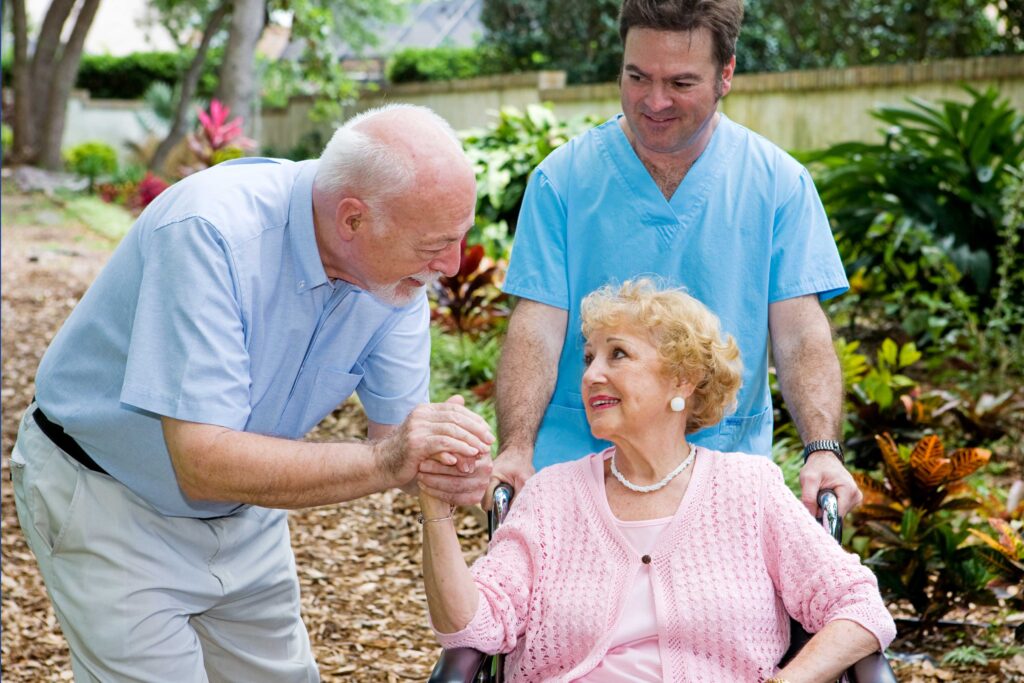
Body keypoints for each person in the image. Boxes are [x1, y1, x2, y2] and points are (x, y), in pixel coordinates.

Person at [10, 104, 495, 682]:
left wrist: (453, 467)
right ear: (353, 220)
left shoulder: (396, 279)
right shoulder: (210, 230)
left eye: (460, 238)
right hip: (107, 496)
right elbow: (203, 462)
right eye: (433, 244)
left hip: (245, 508)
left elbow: (400, 441)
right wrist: (393, 460)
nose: (450, 264)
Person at [490, 0, 862, 516]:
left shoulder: (779, 185)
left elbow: (800, 332)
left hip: (722, 480)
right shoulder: (562, 181)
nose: (654, 101)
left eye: (681, 84)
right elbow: (536, 325)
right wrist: (515, 449)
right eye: (637, 77)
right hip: (576, 478)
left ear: (725, 74)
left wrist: (823, 450)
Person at [421, 279, 895, 681]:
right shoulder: (551, 497)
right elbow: (472, 628)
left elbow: (859, 607)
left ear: (683, 381)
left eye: (617, 355)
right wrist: (435, 509)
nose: (591, 375)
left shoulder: (749, 491)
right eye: (589, 359)